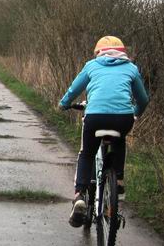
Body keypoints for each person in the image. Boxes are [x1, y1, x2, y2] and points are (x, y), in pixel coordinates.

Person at [58, 35, 149, 227]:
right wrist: (135, 114)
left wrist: (64, 104)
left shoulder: (92, 66)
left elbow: (74, 89)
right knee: (119, 141)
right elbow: (143, 99)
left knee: (87, 154)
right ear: (124, 53)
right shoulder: (131, 68)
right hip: (123, 118)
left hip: (95, 117)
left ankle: (80, 194)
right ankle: (119, 181)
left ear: (98, 52)